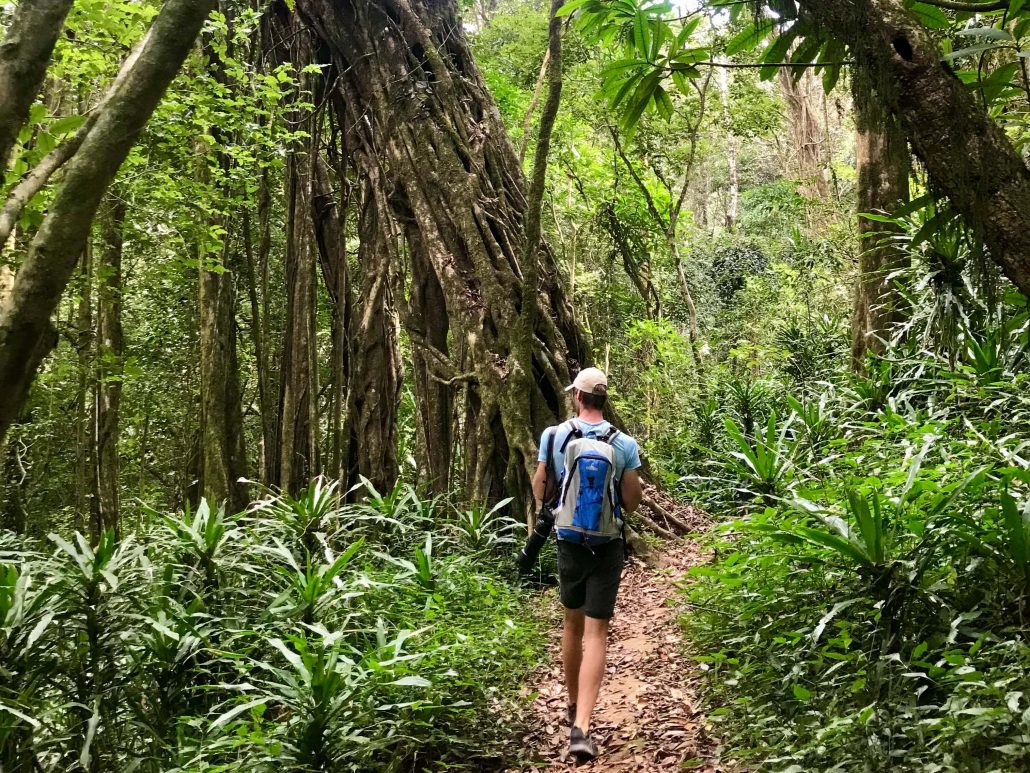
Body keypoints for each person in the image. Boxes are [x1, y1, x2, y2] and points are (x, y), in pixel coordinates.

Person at [531, 366, 643, 761]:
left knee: (571, 623)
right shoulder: (625, 443)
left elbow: (541, 489)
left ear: (577, 396)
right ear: (603, 398)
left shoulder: (554, 435)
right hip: (607, 545)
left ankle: (571, 705)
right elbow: (631, 501)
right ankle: (582, 726)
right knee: (597, 632)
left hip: (568, 542)